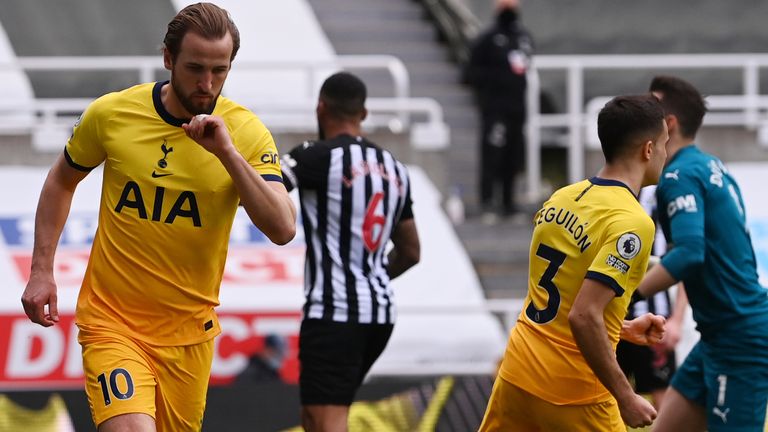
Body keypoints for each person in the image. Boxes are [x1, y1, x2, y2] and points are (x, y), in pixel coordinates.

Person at [19, 3, 296, 431]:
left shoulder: (245, 132)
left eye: (220, 71)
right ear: (168, 59)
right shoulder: (113, 114)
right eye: (195, 68)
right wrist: (41, 271)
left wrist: (226, 153)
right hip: (113, 324)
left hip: (189, 337)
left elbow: (282, 228)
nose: (207, 84)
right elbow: (61, 181)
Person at [478, 94, 669, 431]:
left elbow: (560, 299)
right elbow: (583, 315)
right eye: (665, 145)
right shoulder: (632, 222)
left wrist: (619, 330)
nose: (667, 155)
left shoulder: (562, 198)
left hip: (519, 375)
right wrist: (626, 397)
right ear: (649, 149)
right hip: (576, 392)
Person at [280, 71, 421, 432]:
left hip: (334, 312)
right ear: (364, 113)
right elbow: (410, 251)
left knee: (325, 420)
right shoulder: (395, 168)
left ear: (321, 108)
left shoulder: (316, 157)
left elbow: (266, 191)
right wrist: (368, 275)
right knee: (320, 416)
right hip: (379, 313)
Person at [637, 75, 768, 431]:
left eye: (651, 107)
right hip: (717, 336)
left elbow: (691, 253)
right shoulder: (713, 166)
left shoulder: (679, 176)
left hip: (738, 339)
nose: (641, 115)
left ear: (669, 124)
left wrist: (625, 294)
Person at [616, 185, 688, 408]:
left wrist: (676, 320)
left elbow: (683, 260)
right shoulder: (609, 195)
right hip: (614, 320)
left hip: (655, 321)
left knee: (664, 402)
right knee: (608, 401)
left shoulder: (661, 197)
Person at [463, 0, 533, 222]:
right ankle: (487, 202)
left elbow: (524, 66)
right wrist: (494, 83)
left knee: (513, 156)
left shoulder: (523, 38)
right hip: (495, 109)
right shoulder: (487, 40)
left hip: (517, 108)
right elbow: (470, 73)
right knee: (492, 154)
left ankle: (509, 202)